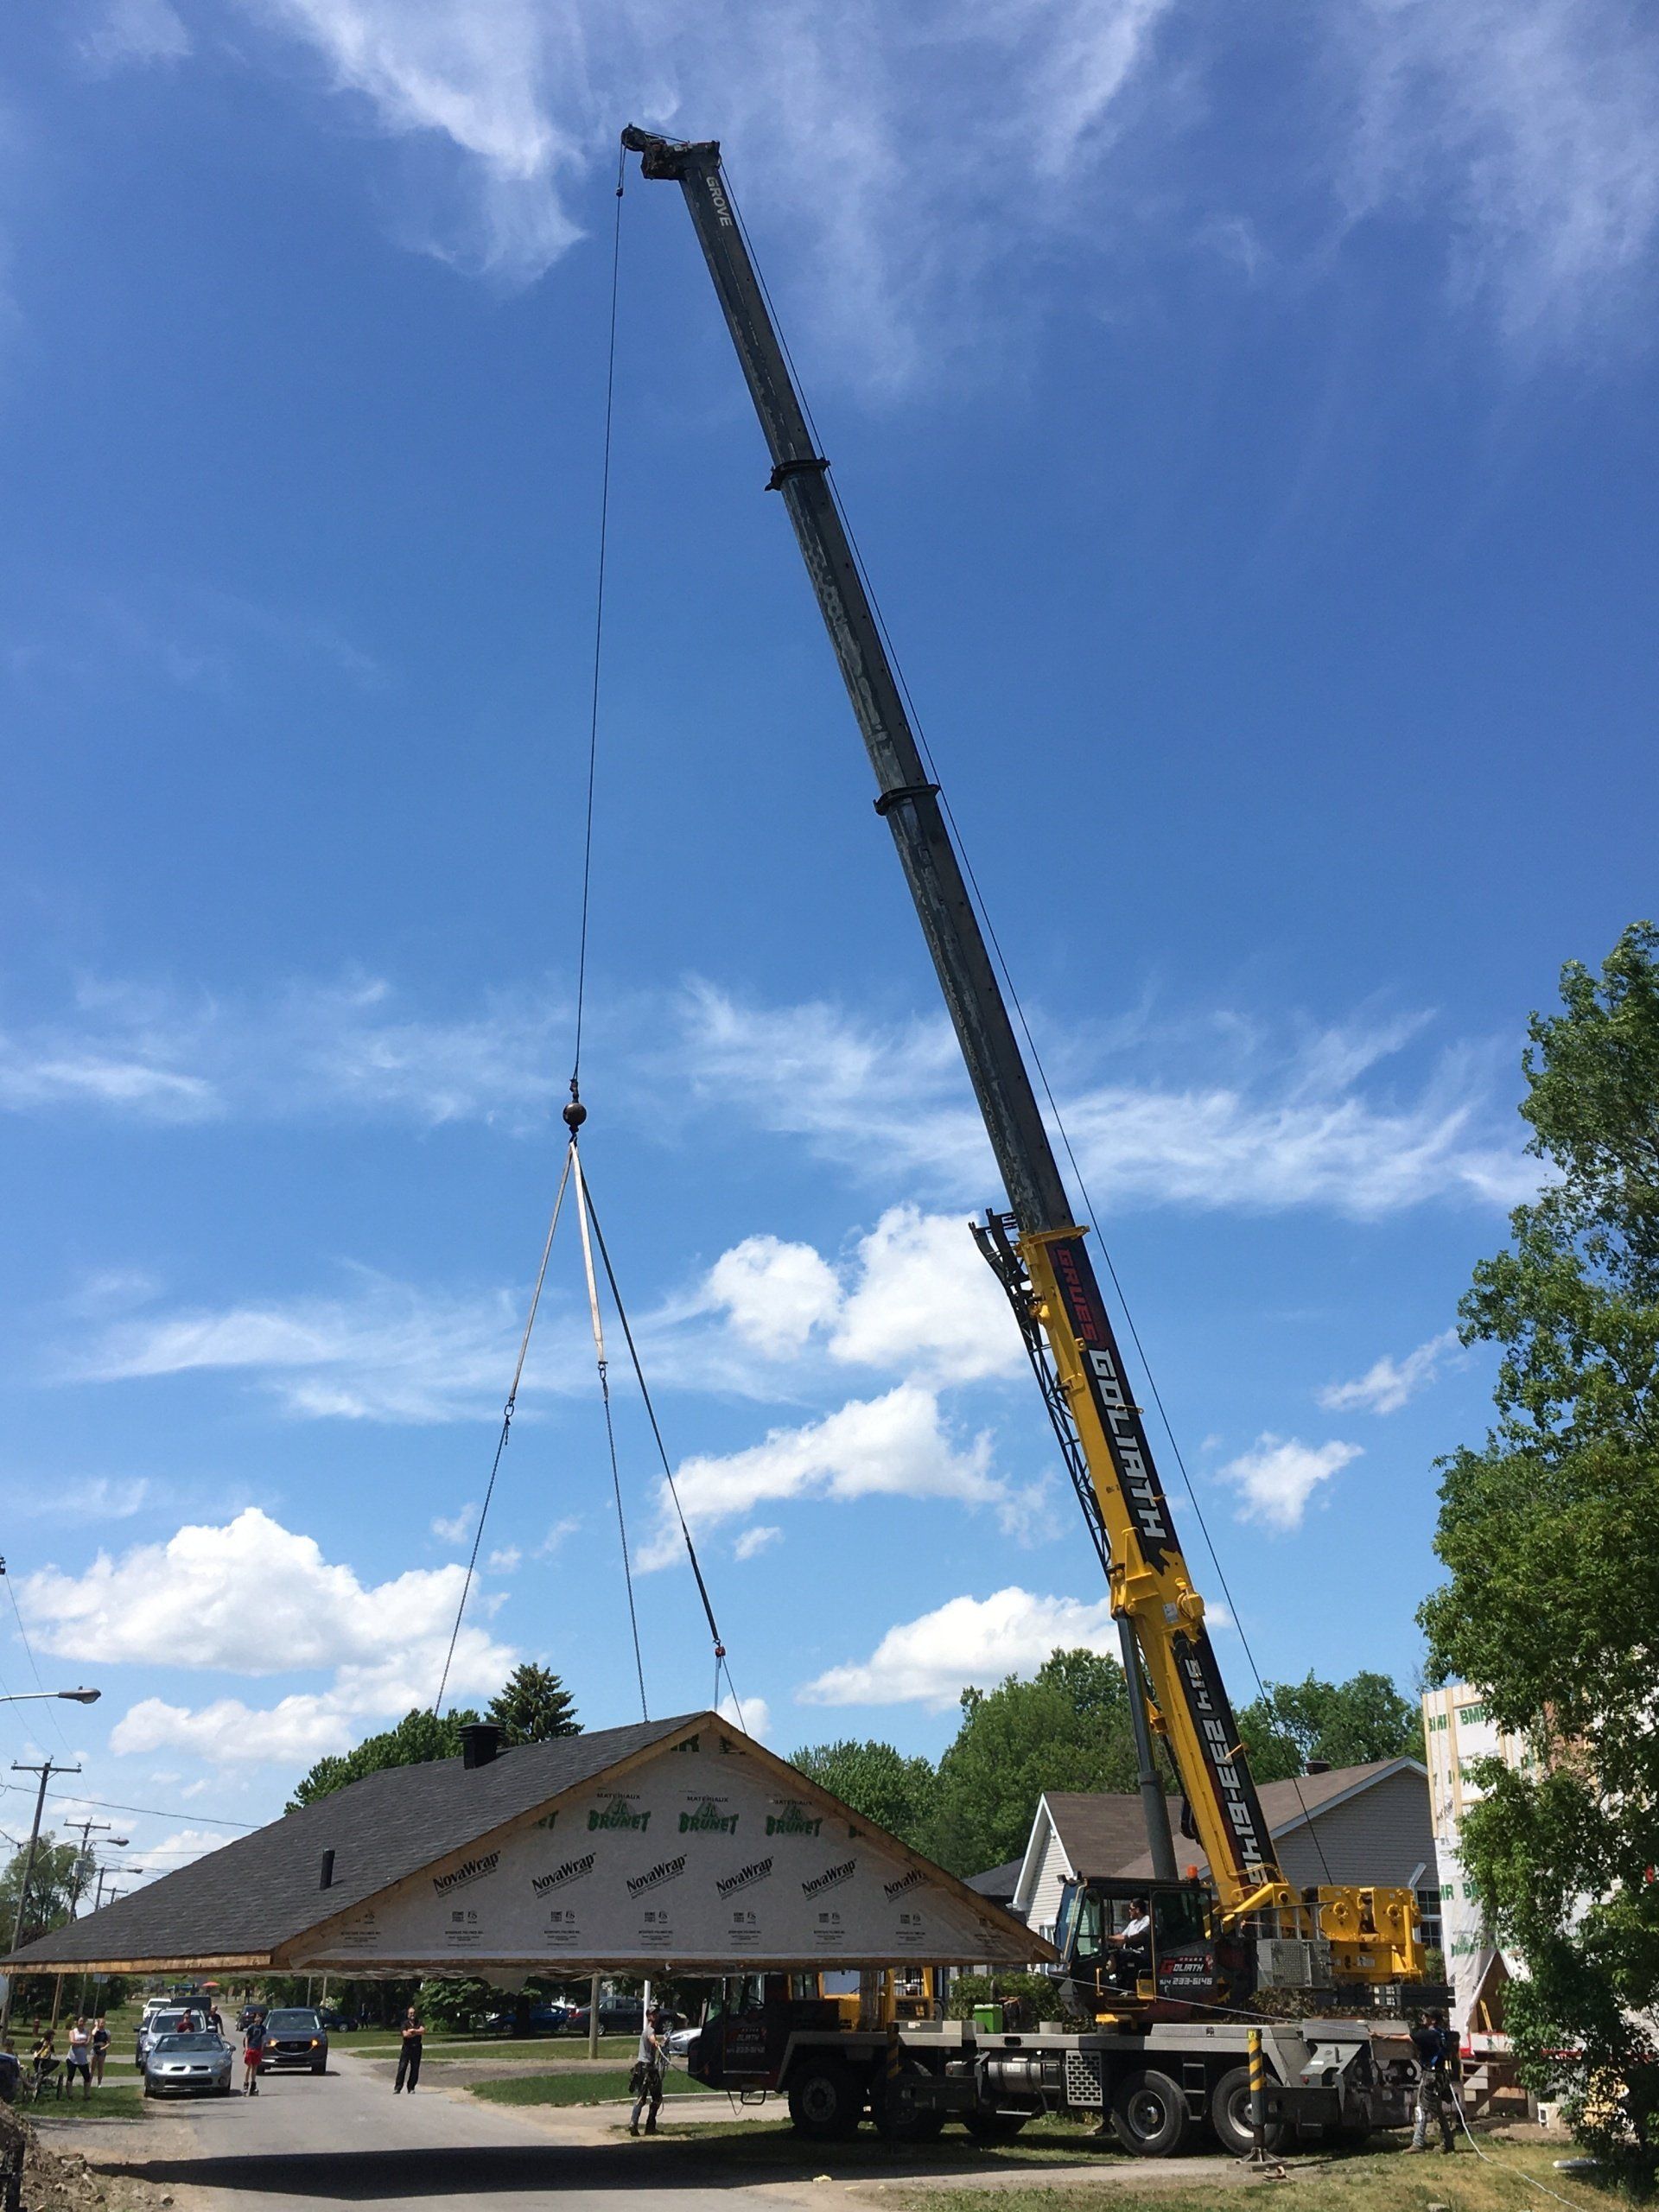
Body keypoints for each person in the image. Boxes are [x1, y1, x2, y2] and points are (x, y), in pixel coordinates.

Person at [1409, 2008, 1459, 2153]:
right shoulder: (1444, 2034)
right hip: (1441, 2075)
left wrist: (1380, 2036)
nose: (1423, 2017)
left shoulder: (1428, 2035)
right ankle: (1447, 2143)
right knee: (1436, 2110)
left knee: (1423, 2109)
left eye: (1427, 2015)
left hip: (1430, 2077)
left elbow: (1409, 2037)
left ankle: (1418, 2143)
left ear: (1433, 2020)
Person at [628, 2009, 669, 2136]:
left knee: (641, 2097)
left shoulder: (647, 2030)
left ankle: (633, 2123)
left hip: (641, 2067)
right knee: (656, 2097)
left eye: (656, 2013)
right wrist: (659, 2044)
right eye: (653, 2014)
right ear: (649, 2016)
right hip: (648, 2069)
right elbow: (652, 2039)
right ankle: (649, 2126)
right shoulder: (650, 2030)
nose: (656, 2016)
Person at [1108, 1897, 1153, 1984]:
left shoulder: (1147, 1920)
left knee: (1116, 1955)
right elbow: (1122, 1936)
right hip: (1131, 1954)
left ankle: (1104, 1979)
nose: (1129, 1911)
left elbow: (1140, 1937)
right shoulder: (1133, 1923)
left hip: (1141, 1955)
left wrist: (1124, 1939)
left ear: (1137, 1910)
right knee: (1109, 1953)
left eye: (1131, 1909)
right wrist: (1108, 1939)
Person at [394, 2007, 423, 2094]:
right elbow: (405, 2034)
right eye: (411, 2013)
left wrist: (413, 2031)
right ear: (408, 2015)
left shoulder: (419, 2022)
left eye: (414, 2013)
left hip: (417, 2047)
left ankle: (411, 2087)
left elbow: (423, 2030)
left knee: (415, 2068)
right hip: (407, 2047)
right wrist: (416, 2033)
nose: (412, 2015)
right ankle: (398, 2087)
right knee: (402, 2067)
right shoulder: (404, 2023)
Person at [64, 2018, 92, 2101]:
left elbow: (88, 2043)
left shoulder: (87, 2032)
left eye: (83, 2021)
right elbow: (72, 2042)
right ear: (77, 2023)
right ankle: (70, 2095)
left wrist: (79, 2043)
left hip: (82, 2059)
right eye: (80, 2021)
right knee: (70, 2076)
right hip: (72, 2058)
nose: (82, 2023)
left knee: (87, 2077)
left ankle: (87, 2095)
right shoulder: (73, 2031)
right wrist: (82, 2043)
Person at [243, 2008, 266, 2096]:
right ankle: (245, 2084)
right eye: (257, 2017)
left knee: (255, 2068)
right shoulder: (251, 2027)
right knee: (248, 2067)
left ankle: (253, 2084)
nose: (258, 2019)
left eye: (260, 2017)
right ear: (254, 2018)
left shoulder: (262, 2028)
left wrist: (262, 2049)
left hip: (257, 2049)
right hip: (251, 2048)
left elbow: (263, 2039)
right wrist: (246, 2048)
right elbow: (247, 2038)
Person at [91, 2016, 110, 2086]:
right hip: (95, 2050)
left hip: (102, 2051)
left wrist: (104, 2048)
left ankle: (99, 2083)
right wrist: (96, 2026)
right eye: (101, 2023)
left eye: (103, 2023)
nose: (102, 2025)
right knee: (92, 2067)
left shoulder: (107, 2032)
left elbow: (109, 2043)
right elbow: (93, 2034)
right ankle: (89, 2082)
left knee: (100, 2067)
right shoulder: (96, 2031)